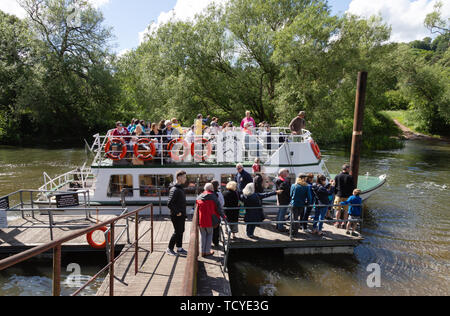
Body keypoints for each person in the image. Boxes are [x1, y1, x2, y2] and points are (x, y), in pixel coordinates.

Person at [197, 183, 225, 257]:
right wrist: (224, 216)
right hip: (210, 219)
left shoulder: (199, 197)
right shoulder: (213, 196)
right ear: (211, 188)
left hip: (201, 219)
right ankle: (207, 251)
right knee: (209, 234)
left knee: (203, 235)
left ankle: (202, 251)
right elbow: (219, 208)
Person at [166, 171, 188, 256]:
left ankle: (179, 248)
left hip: (181, 214)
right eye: (184, 177)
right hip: (177, 215)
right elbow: (169, 203)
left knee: (181, 231)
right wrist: (177, 212)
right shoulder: (175, 189)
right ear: (179, 177)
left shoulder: (179, 188)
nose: (185, 179)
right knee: (177, 231)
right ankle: (169, 249)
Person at [334, 164, 355, 229]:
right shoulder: (350, 177)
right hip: (347, 196)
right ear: (347, 169)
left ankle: (337, 223)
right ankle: (344, 223)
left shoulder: (337, 176)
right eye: (349, 168)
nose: (350, 169)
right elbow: (353, 187)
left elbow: (335, 186)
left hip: (339, 195)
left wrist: (335, 193)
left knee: (338, 210)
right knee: (346, 210)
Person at [211, 180, 225, 248]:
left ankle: (209, 242)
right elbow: (222, 203)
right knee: (216, 228)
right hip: (217, 214)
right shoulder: (219, 194)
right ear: (217, 186)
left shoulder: (208, 193)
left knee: (210, 228)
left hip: (209, 213)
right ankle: (216, 242)